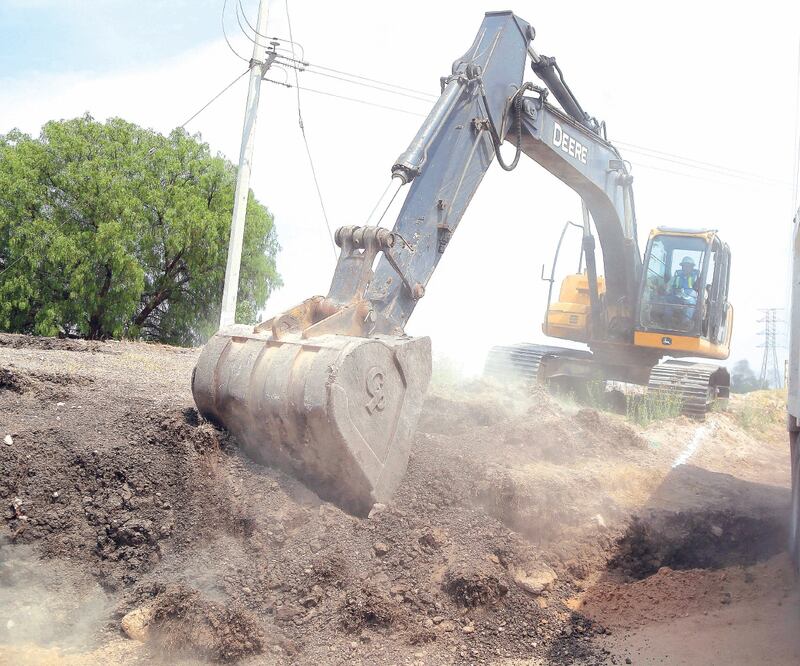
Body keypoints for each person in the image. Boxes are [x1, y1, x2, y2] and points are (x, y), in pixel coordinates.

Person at [667, 256, 700, 327]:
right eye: (684, 266)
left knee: (691, 303)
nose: (686, 268)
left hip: (689, 299)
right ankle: (667, 321)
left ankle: (685, 324)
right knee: (666, 300)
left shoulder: (697, 278)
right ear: (682, 267)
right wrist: (667, 290)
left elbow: (701, 292)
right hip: (676, 297)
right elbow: (668, 286)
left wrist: (694, 294)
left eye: (688, 266)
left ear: (692, 268)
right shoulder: (677, 276)